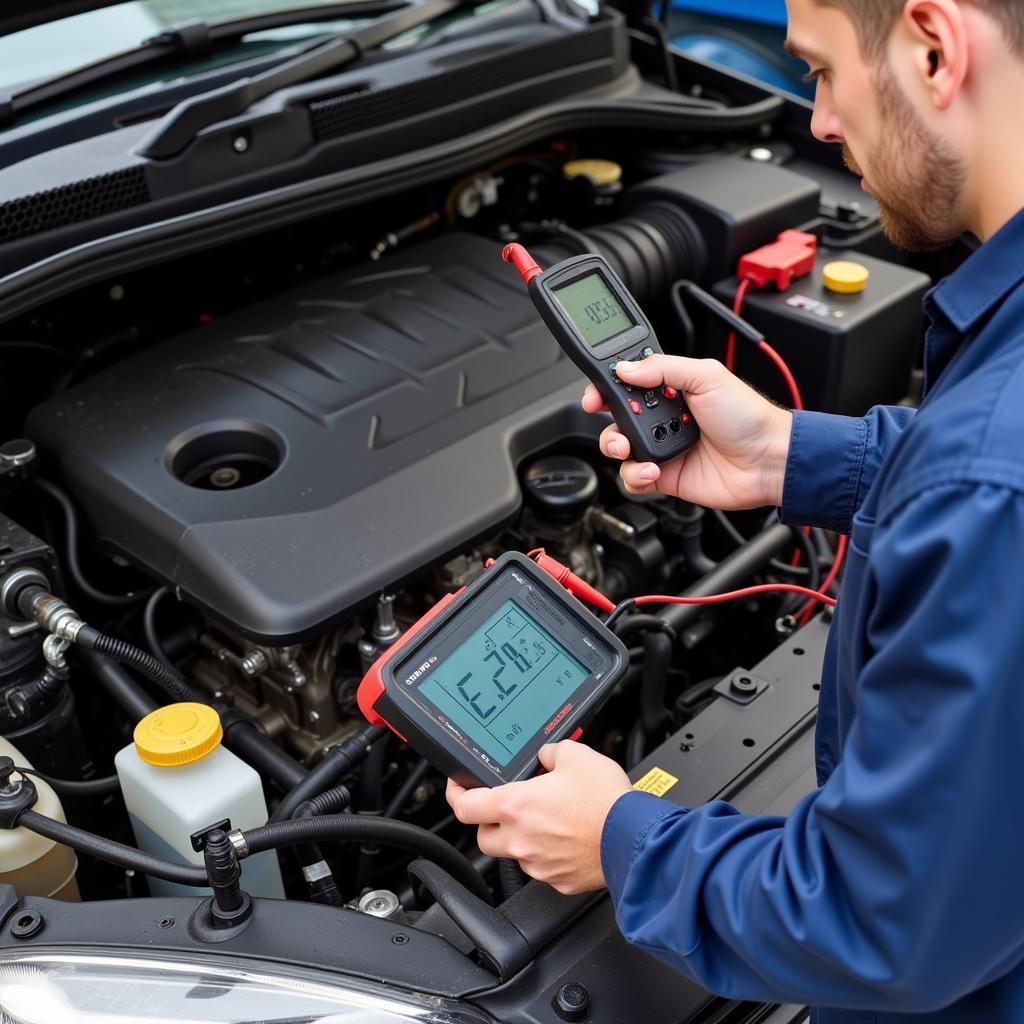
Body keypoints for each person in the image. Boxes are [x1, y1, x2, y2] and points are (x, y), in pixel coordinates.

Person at [446, 0, 1024, 1020]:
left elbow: (884, 926)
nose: (819, 125)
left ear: (934, 47)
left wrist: (622, 840)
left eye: (820, 71)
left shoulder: (988, 484)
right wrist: (794, 456)